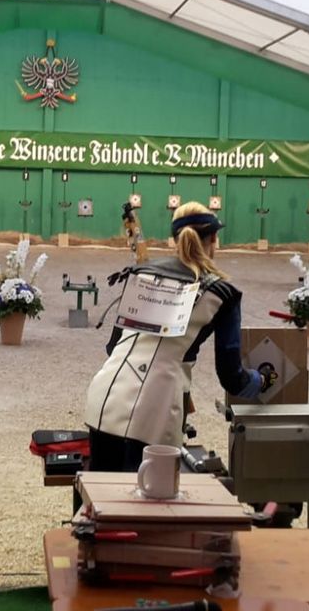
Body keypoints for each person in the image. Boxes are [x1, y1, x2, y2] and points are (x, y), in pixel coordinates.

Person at [84, 201, 268, 472]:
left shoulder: (142, 272)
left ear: (174, 240)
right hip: (154, 413)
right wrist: (261, 380)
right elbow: (232, 377)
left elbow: (115, 347)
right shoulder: (223, 294)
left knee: (101, 501)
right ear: (214, 239)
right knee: (147, 508)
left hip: (104, 399)